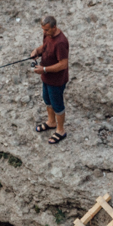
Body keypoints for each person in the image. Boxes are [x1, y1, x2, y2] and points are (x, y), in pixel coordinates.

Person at [30, 16, 69, 144]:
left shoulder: (61, 42)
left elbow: (63, 64)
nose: (44, 32)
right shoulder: (48, 35)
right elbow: (45, 46)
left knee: (57, 104)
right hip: (46, 78)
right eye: (43, 30)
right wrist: (37, 51)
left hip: (56, 80)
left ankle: (60, 130)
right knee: (47, 100)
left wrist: (44, 69)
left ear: (54, 27)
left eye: (46, 30)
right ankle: (51, 122)